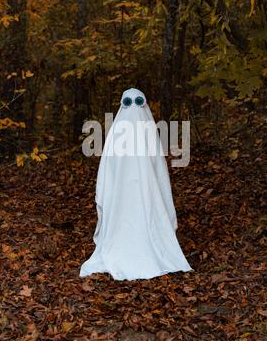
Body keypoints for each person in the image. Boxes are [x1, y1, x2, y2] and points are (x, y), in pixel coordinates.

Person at [79, 88, 192, 281]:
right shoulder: (116, 135)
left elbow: (158, 172)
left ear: (145, 104)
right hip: (119, 204)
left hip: (148, 198)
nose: (133, 108)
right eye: (128, 103)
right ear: (122, 106)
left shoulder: (149, 134)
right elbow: (108, 170)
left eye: (139, 102)